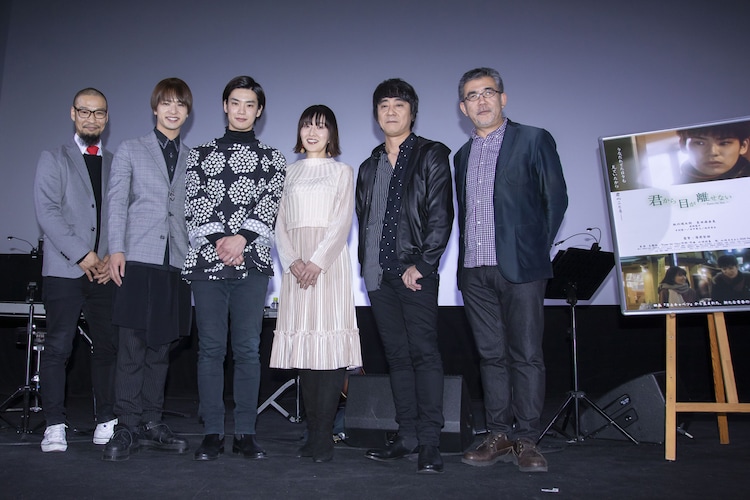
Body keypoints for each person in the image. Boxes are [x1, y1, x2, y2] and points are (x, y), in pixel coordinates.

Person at [454, 67, 568, 473]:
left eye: (488, 92)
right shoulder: (461, 155)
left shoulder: (533, 139)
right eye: (472, 96)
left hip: (521, 267)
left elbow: (556, 199)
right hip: (474, 270)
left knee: (526, 355)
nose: (481, 101)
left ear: (503, 98)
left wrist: (533, 249)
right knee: (491, 357)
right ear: (463, 108)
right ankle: (498, 434)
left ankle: (528, 439)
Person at [184, 75, 286, 461]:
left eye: (250, 104)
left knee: (247, 349)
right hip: (207, 263)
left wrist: (241, 240)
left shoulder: (274, 158)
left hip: (252, 262)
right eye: (236, 103)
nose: (242, 110)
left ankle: (246, 432)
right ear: (225, 106)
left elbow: (271, 203)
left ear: (259, 111)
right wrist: (222, 243)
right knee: (210, 349)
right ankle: (212, 432)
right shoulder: (199, 154)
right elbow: (195, 202)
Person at [355, 79, 453, 474]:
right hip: (379, 276)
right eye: (384, 106)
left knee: (423, 353)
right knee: (396, 357)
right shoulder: (369, 166)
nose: (391, 111)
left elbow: (441, 215)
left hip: (416, 272)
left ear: (412, 112)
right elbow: (365, 219)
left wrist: (424, 265)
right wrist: (367, 268)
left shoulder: (431, 154)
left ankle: (430, 442)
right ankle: (407, 435)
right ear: (376, 114)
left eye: (399, 105)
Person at [102, 78, 193, 461]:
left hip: (175, 262)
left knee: (161, 347)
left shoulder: (193, 157)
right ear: (155, 108)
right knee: (132, 346)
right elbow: (116, 201)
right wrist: (116, 249)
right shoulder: (130, 149)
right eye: (166, 103)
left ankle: (152, 422)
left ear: (187, 113)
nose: (173, 110)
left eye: (180, 105)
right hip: (137, 257)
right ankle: (126, 425)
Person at [270, 105, 362, 463]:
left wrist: (316, 262)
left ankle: (324, 436)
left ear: (331, 134)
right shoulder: (287, 172)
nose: (312, 132)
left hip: (328, 266)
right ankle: (312, 432)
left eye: (321, 126)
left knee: (330, 349)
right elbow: (278, 223)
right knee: (305, 351)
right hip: (295, 269)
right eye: (307, 125)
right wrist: (293, 261)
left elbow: (342, 222)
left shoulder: (342, 171)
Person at [33, 88, 118, 452]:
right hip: (65, 269)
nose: (91, 118)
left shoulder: (116, 163)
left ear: (107, 118)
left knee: (108, 348)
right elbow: (48, 213)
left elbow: (122, 216)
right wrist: (84, 255)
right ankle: (54, 425)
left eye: (98, 113)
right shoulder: (53, 159)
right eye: (85, 111)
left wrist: (110, 256)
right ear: (73, 114)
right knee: (58, 348)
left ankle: (106, 420)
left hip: (105, 273)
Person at [677, 122, 750, 183]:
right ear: (683, 145)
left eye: (724, 143)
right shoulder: (676, 191)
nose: (713, 152)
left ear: (743, 146)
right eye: (700, 143)